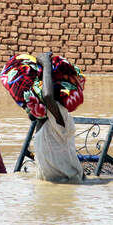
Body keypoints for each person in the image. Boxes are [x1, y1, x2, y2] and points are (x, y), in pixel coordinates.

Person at [31, 52, 84, 183]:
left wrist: (46, 63)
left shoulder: (60, 115)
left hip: (68, 181)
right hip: (49, 184)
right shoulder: (40, 117)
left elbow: (48, 96)